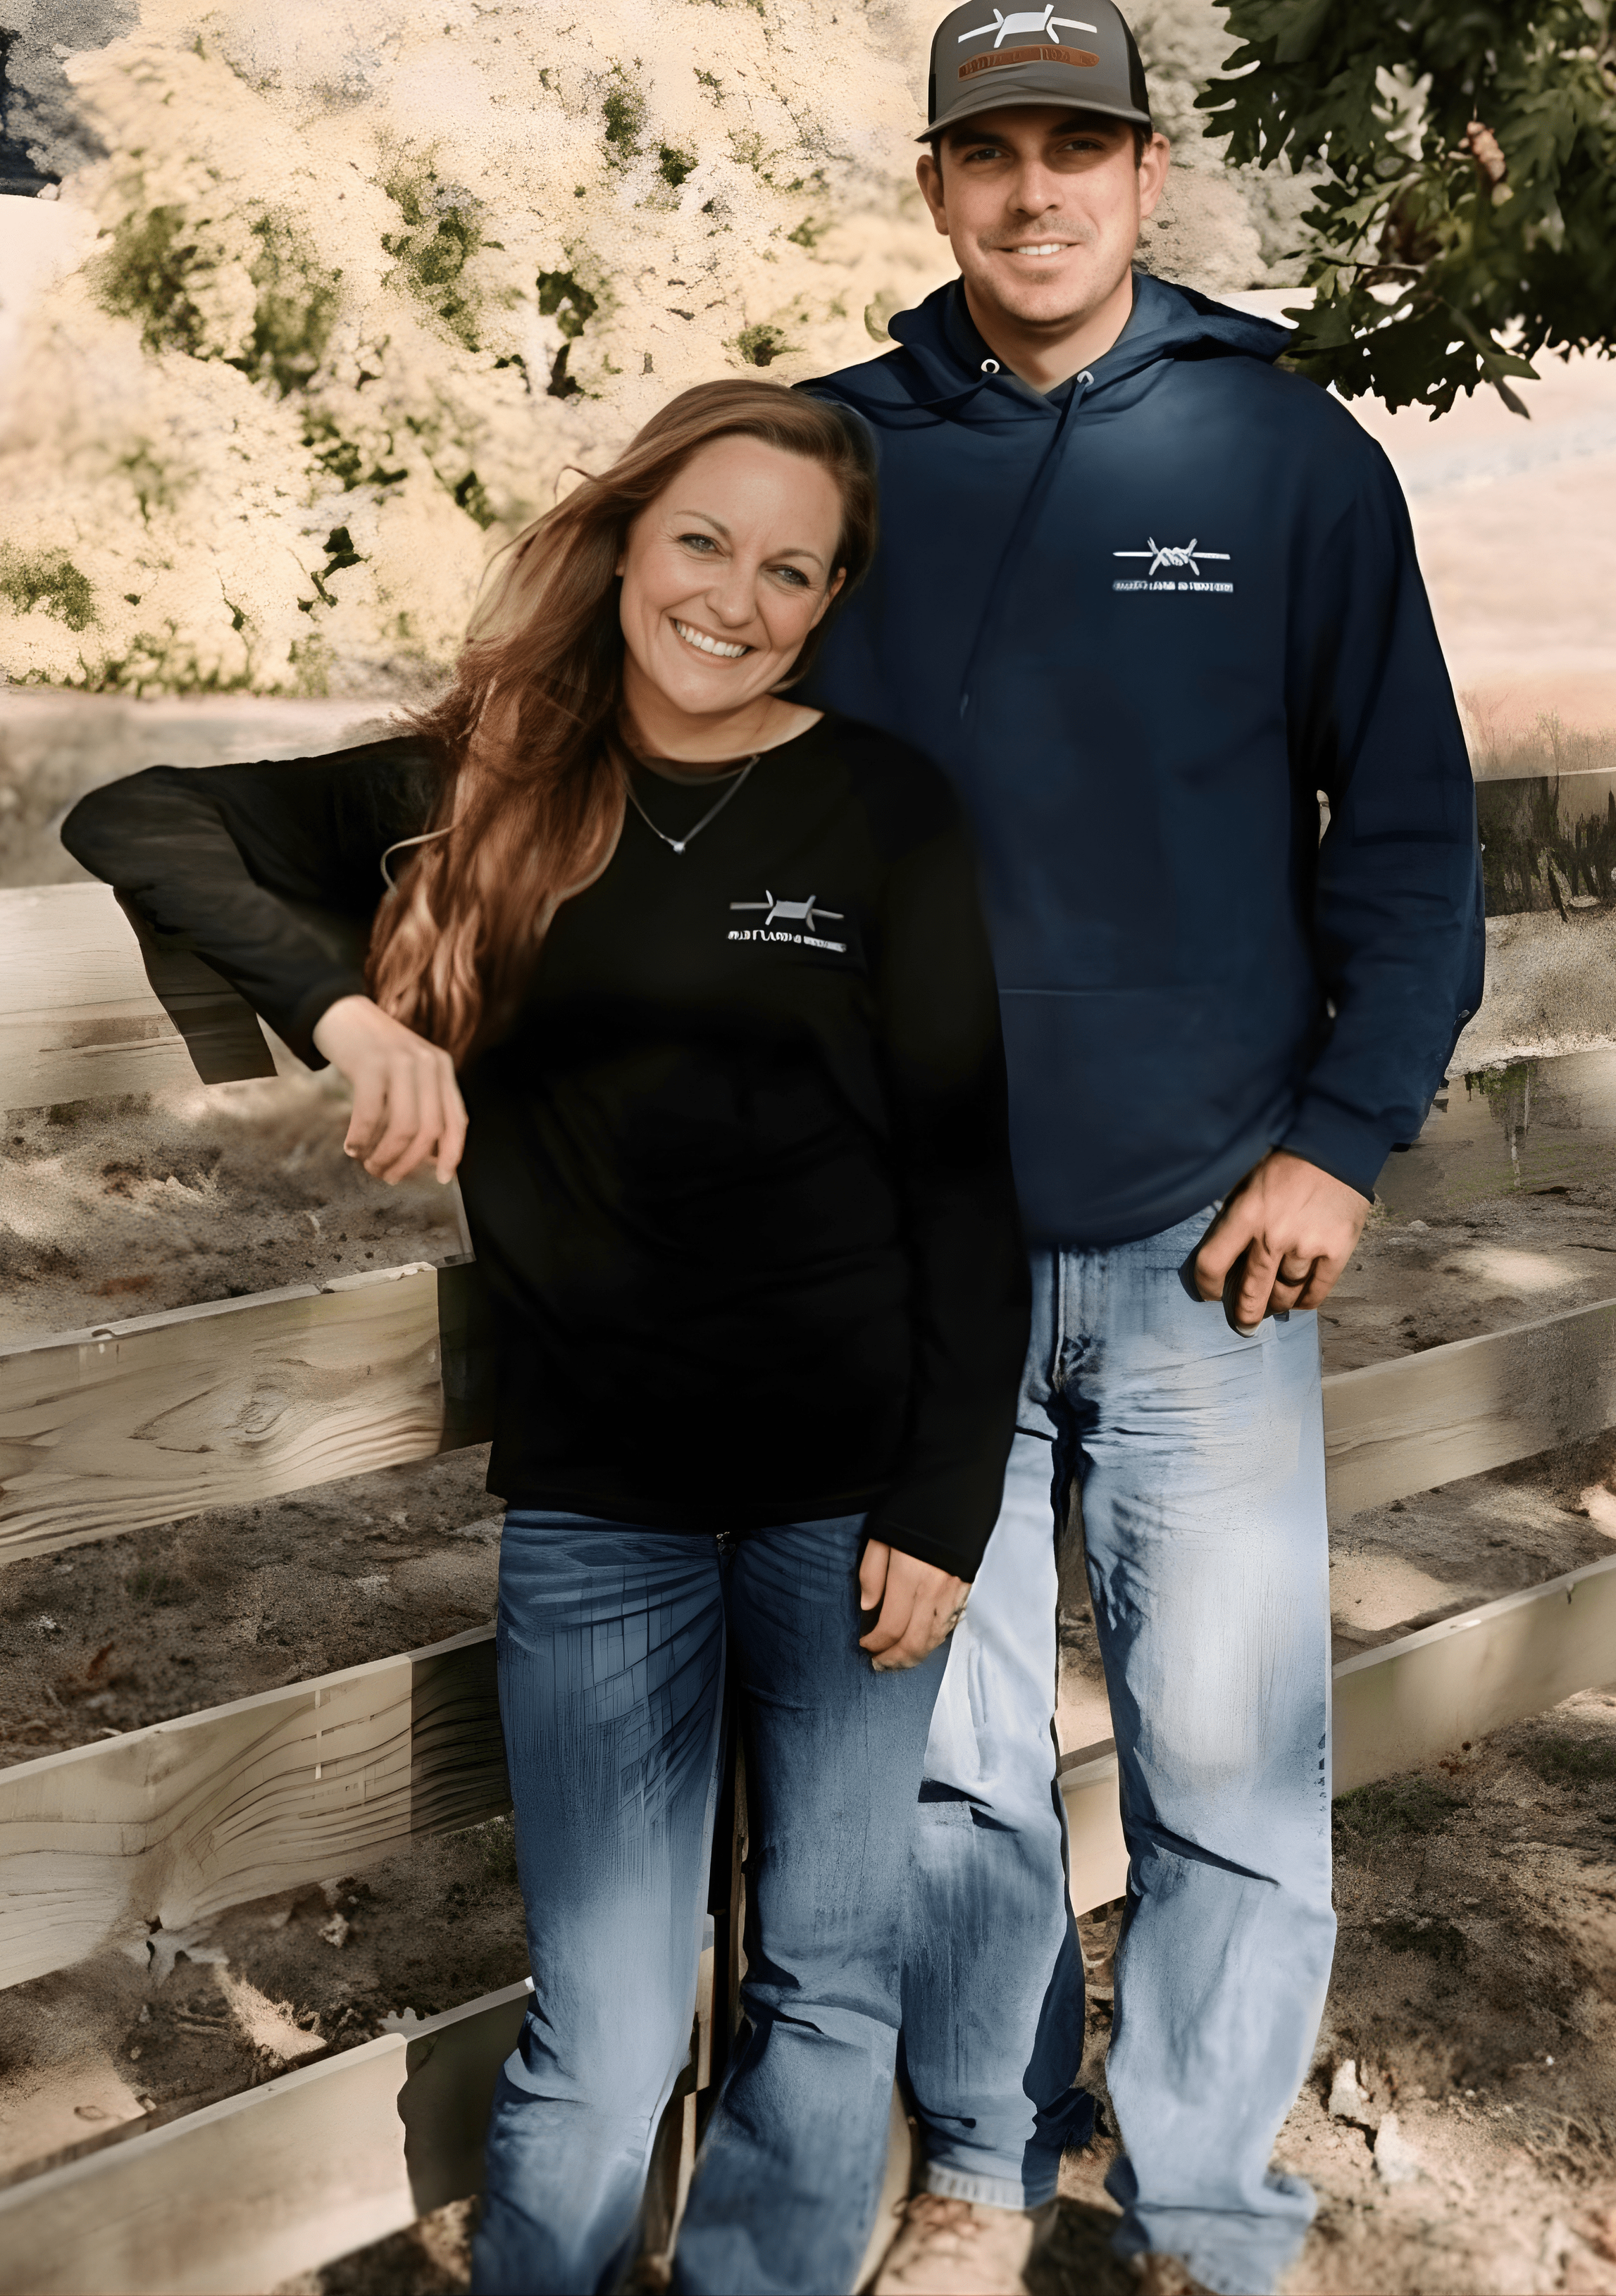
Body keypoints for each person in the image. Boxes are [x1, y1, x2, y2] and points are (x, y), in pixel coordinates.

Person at [61, 380, 1029, 2296]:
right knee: (601, 2020)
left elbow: (960, 1175)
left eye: (788, 570)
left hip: (852, 1503)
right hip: (602, 1514)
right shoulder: (474, 785)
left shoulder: (882, 804)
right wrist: (353, 1015)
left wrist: (946, 1496)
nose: (733, 598)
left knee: (824, 1982)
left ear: (826, 602)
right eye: (702, 541)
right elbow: (136, 816)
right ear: (624, 536)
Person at [799, 0, 1484, 2296]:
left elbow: (1402, 836)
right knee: (949, 1760)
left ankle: (1204, 2208)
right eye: (985, 152)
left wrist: (1342, 1139)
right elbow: (684, 769)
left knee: (1226, 1762)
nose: (1030, 190)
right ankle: (987, 2166)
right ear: (933, 185)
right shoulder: (837, 461)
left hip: (1213, 1233)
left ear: (1143, 170)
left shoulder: (1286, 461)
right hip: (914, 1240)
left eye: (1071, 148)